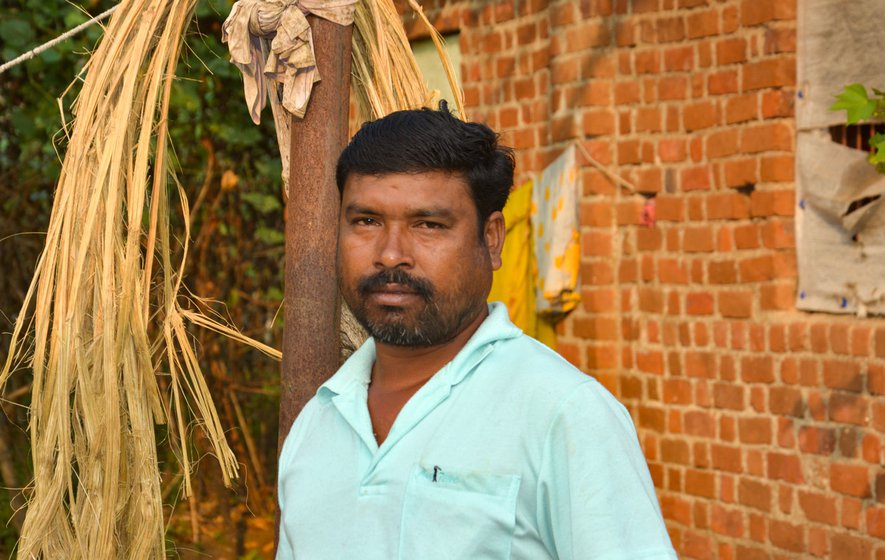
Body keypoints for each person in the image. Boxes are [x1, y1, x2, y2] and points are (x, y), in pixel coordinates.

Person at [276, 105, 677, 560]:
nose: (390, 255)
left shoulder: (563, 414)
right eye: (366, 221)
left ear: (491, 239)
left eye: (428, 224)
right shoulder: (318, 424)